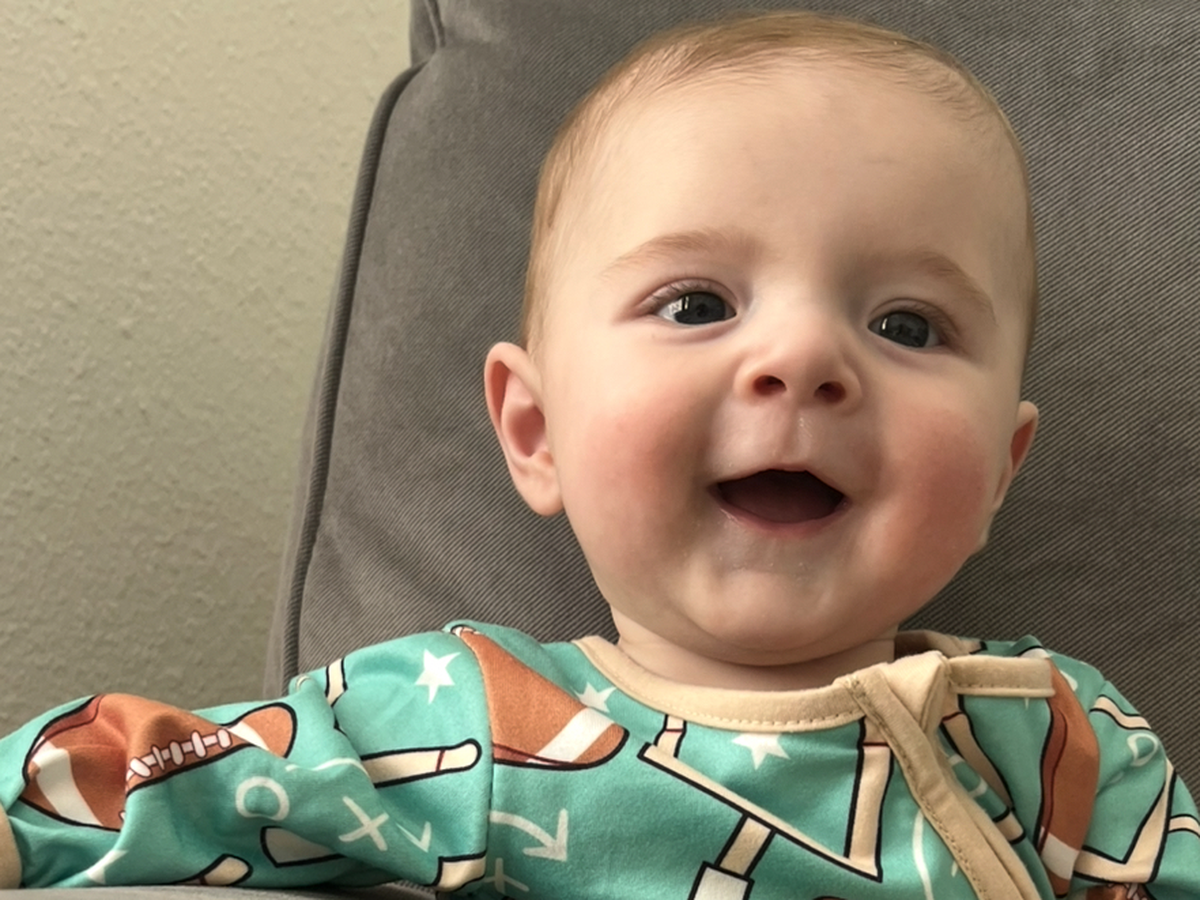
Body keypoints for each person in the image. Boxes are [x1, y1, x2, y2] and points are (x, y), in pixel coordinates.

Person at [1, 11, 1196, 898]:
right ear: (535, 431)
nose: (802, 360)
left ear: (997, 473)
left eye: (907, 326)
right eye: (695, 304)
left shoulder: (1066, 739)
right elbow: (175, 775)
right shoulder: (471, 720)